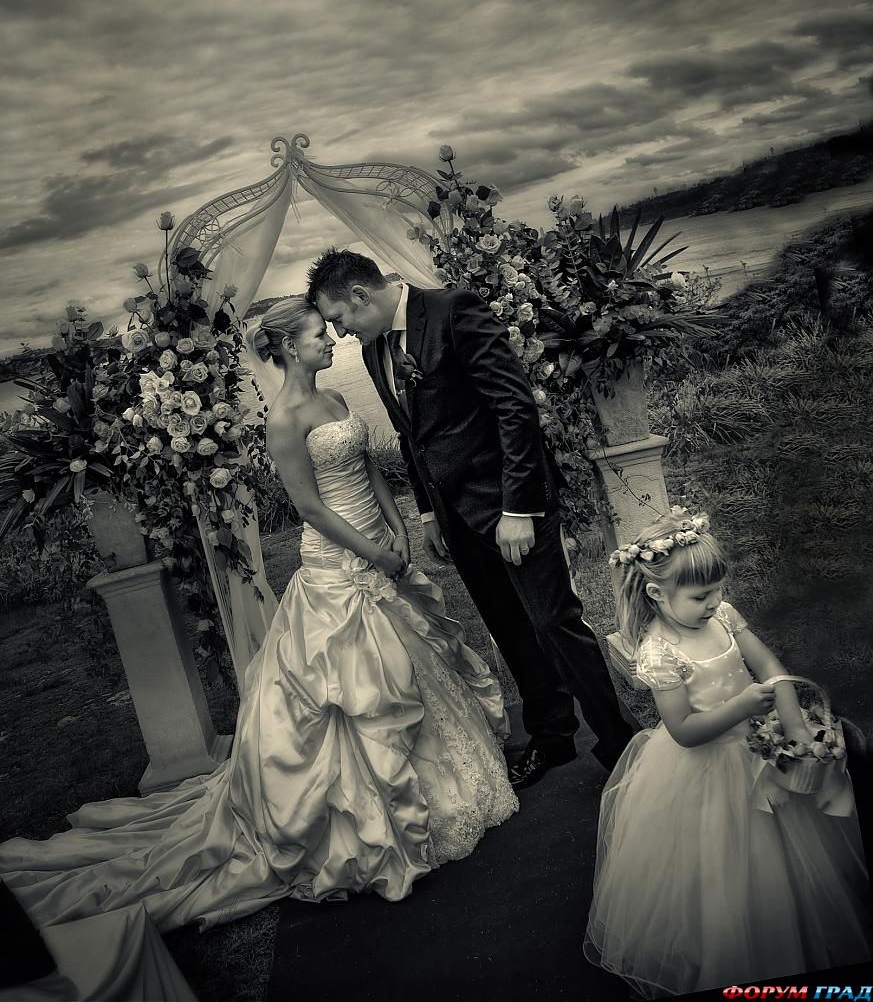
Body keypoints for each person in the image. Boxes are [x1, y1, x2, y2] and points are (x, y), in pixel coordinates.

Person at [0, 296, 518, 934]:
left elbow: (369, 470)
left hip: (379, 542)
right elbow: (310, 508)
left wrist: (398, 523)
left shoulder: (336, 399)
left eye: (328, 331)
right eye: (319, 334)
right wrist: (373, 553)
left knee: (412, 667)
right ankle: (374, 822)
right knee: (361, 692)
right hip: (337, 564)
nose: (331, 340)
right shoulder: (283, 420)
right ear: (289, 347)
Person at [306, 249, 637, 789]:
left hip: (510, 507)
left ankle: (621, 747)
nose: (340, 333)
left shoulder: (453, 310)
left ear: (361, 295)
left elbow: (514, 407)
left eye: (339, 319)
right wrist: (428, 511)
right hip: (456, 519)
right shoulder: (374, 350)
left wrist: (518, 509)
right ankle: (552, 736)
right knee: (510, 629)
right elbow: (412, 435)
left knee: (554, 623)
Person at [583, 507, 873, 998]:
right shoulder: (659, 652)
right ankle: (737, 951)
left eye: (718, 591)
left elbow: (771, 668)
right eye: (701, 596)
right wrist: (740, 705)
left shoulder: (724, 615)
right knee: (731, 865)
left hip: (761, 746)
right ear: (656, 593)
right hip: (707, 766)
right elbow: (683, 730)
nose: (715, 603)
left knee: (793, 852)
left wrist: (795, 728)